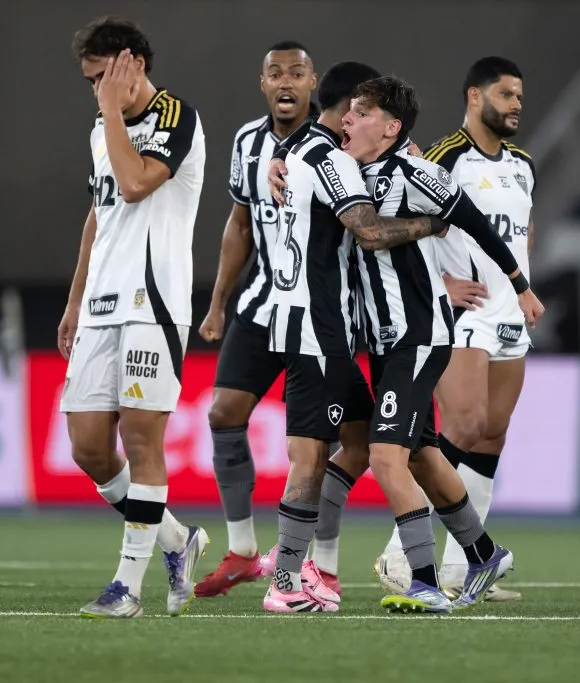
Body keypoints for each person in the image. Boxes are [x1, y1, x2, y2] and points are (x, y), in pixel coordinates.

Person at [306, 76, 543, 612]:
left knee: (387, 457)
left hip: (421, 335)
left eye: (360, 113)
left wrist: (521, 284)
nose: (347, 119)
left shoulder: (418, 172)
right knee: (422, 456)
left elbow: (480, 226)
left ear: (391, 128)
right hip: (385, 341)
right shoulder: (351, 172)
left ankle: (424, 582)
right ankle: (483, 554)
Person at [261, 61, 445, 613]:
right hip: (320, 328)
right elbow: (367, 230)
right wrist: (435, 220)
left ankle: (308, 565)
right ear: (347, 113)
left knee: (362, 443)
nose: (360, 122)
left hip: (305, 323)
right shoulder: (330, 158)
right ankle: (287, 581)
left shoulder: (293, 153)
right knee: (310, 457)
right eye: (361, 111)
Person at [57, 16, 207, 618]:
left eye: (103, 77)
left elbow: (137, 181)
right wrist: (74, 300)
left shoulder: (177, 118)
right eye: (91, 82)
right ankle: (177, 540)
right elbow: (100, 212)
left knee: (141, 440)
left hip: (154, 303)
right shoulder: (102, 125)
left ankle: (127, 589)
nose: (96, 92)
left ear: (133, 64)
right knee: (89, 448)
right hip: (100, 303)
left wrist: (114, 115)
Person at [374, 58, 536, 602]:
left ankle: (466, 565)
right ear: (475, 95)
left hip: (510, 313)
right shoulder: (444, 156)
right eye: (507, 94)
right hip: (465, 313)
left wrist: (523, 288)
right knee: (462, 426)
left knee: (492, 433)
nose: (517, 104)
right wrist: (440, 283)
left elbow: (518, 233)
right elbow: (406, 222)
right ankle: (402, 554)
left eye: (520, 96)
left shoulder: (523, 164)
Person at [193, 40, 319, 598]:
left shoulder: (333, 146)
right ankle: (243, 550)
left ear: (312, 83)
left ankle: (313, 561)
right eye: (276, 73)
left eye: (296, 72)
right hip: (260, 306)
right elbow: (239, 224)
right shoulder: (247, 141)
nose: (286, 81)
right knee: (223, 413)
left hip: (317, 316)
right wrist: (219, 301)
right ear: (263, 83)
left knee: (310, 447)